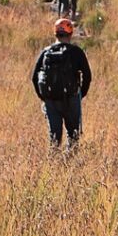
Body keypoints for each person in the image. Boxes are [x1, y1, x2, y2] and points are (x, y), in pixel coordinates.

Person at [31, 17, 92, 148]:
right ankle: (71, 163)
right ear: (71, 33)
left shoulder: (46, 52)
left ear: (55, 33)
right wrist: (81, 94)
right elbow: (87, 76)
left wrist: (44, 97)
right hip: (71, 98)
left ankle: (53, 165)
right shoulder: (76, 52)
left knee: (54, 137)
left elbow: (34, 77)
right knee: (73, 136)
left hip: (51, 100)